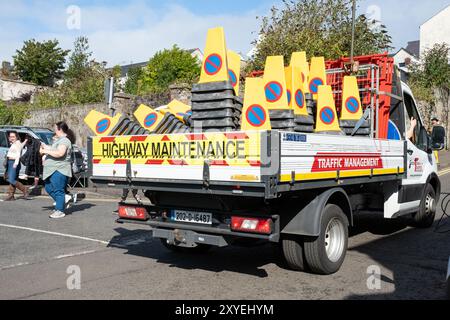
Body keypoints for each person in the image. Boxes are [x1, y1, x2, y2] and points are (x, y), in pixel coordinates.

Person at [40, 122, 75, 219]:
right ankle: (64, 201)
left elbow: (60, 153)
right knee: (48, 187)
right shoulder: (59, 140)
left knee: (58, 190)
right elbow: (53, 149)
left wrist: (45, 151)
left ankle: (60, 210)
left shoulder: (64, 141)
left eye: (55, 128)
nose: (54, 130)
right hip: (51, 170)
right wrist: (44, 146)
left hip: (59, 170)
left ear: (59, 129)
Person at [3, 131, 29, 201]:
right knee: (12, 178)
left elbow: (18, 154)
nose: (11, 138)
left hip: (13, 162)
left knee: (10, 179)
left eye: (13, 137)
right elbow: (21, 146)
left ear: (17, 137)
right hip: (11, 162)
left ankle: (24, 189)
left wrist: (16, 163)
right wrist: (25, 141)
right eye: (10, 136)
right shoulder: (16, 143)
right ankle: (11, 196)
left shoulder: (17, 144)